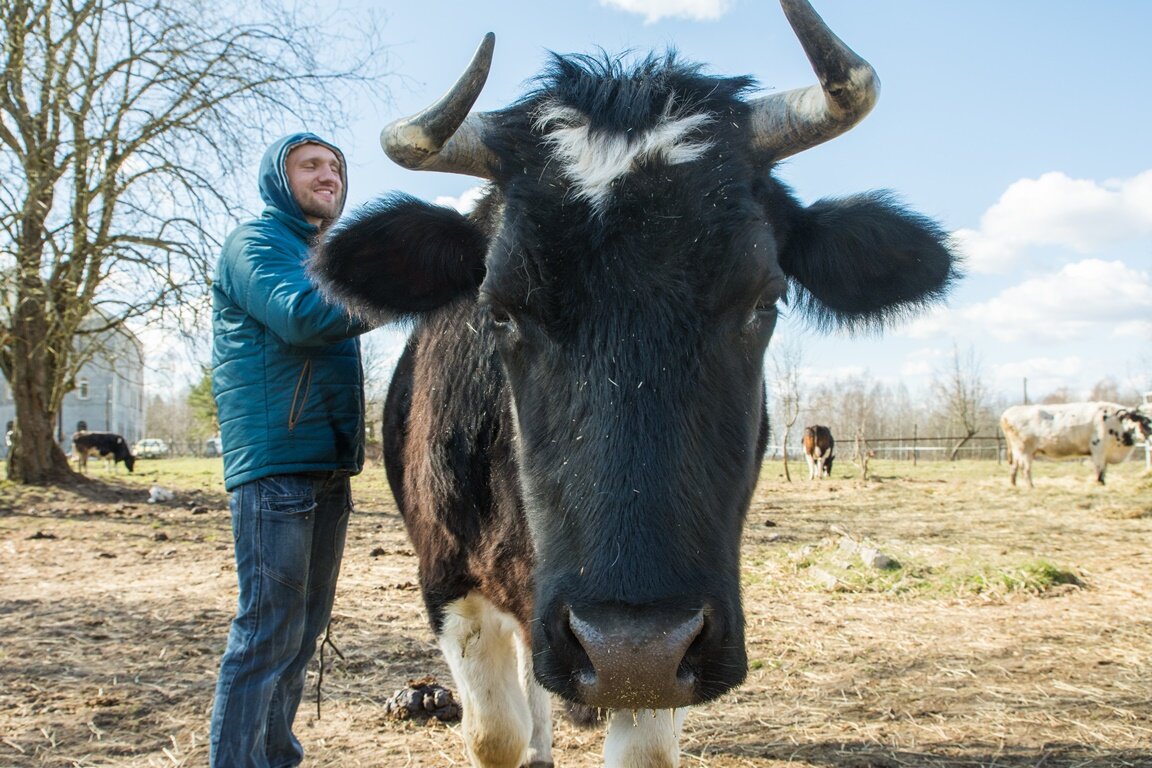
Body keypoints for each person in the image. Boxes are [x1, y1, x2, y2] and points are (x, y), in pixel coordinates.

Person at [208, 132, 377, 767]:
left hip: (326, 465)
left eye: (335, 166)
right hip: (276, 466)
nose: (327, 175)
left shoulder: (322, 253)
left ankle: (274, 756)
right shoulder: (255, 243)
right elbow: (301, 317)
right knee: (265, 634)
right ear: (280, 180)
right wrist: (397, 286)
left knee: (301, 634)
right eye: (310, 165)